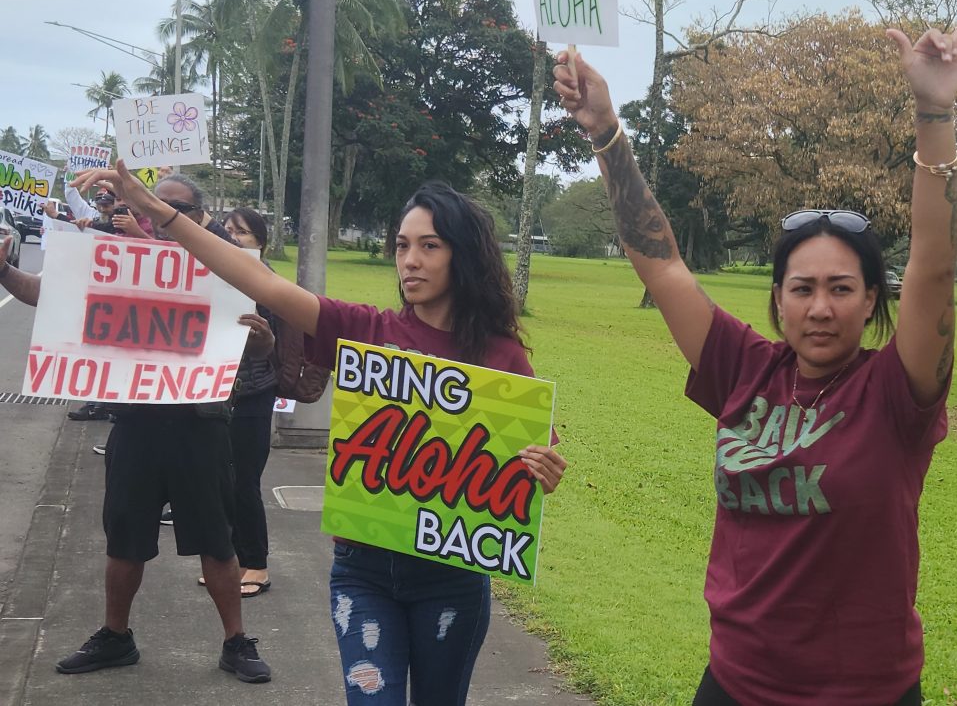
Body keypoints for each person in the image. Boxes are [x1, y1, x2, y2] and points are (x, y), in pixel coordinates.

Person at [552, 25, 957, 706]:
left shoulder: (897, 390)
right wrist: (605, 130)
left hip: (866, 692)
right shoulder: (743, 367)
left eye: (842, 288)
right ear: (778, 299)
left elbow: (934, 266)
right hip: (737, 682)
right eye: (802, 288)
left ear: (872, 300)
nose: (820, 307)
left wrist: (934, 112)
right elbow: (662, 264)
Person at [67, 172, 567, 706]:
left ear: (462, 255)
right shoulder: (367, 332)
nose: (410, 261)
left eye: (429, 246)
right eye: (402, 246)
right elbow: (259, 281)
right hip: (363, 573)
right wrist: (156, 210)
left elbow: (528, 469)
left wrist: (543, 470)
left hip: (452, 579)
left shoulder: (499, 356)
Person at [0, 172, 273, 684]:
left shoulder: (223, 261)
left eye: (176, 208)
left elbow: (258, 342)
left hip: (200, 428)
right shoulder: (115, 254)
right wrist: (4, 269)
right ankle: (116, 636)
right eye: (149, 204)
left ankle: (236, 641)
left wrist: (261, 341)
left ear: (198, 215)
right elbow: (46, 293)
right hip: (137, 424)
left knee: (217, 541)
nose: (159, 213)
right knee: (125, 538)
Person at [197, 207, 277, 598]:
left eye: (241, 232)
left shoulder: (262, 278)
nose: (232, 237)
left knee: (245, 481)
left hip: (252, 394)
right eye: (227, 229)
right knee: (220, 483)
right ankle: (232, 563)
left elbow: (266, 340)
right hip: (217, 392)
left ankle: (257, 564)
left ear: (261, 242)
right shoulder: (215, 274)